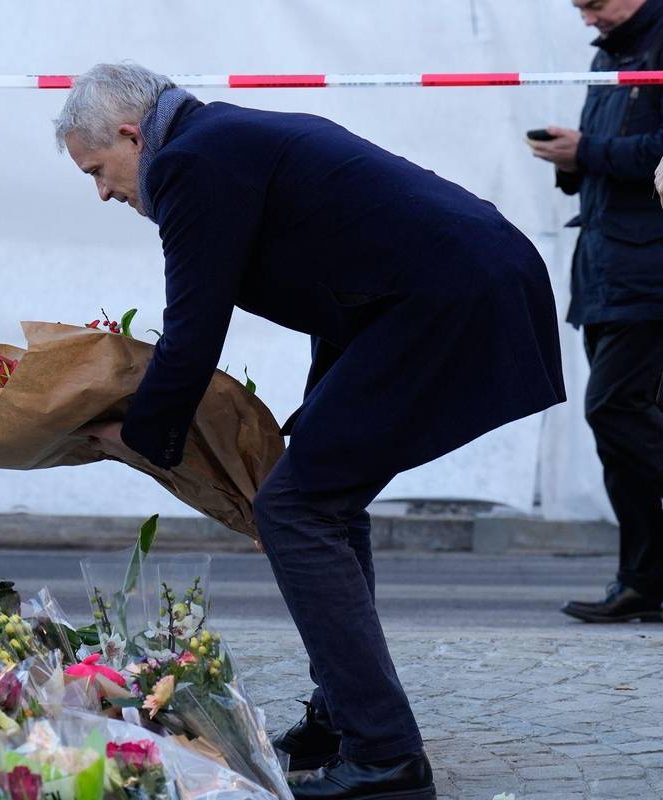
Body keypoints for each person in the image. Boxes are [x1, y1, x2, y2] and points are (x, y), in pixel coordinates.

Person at [57, 63, 564, 799]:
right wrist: (315, 414)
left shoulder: (193, 162)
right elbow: (344, 262)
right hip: (434, 290)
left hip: (449, 298)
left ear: (133, 136)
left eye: (98, 170)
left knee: (298, 508)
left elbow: (194, 330)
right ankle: (342, 718)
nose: (103, 192)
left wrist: (137, 437)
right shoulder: (222, 139)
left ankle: (385, 756)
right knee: (319, 497)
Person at [529, 0, 663, 624]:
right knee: (619, 434)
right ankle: (642, 581)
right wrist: (572, 160)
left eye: (594, 4)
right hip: (606, 267)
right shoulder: (609, 56)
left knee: (615, 410)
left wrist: (589, 150)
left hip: (650, 271)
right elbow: (608, 161)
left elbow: (654, 153)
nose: (587, 19)